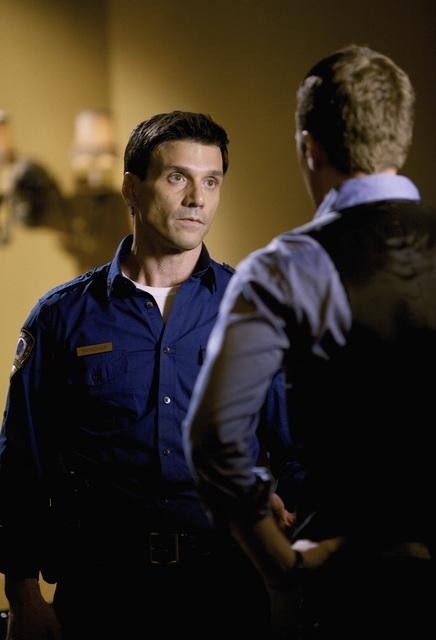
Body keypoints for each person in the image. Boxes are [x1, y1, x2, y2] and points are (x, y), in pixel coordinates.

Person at [0, 111, 293, 640]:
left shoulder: (254, 310)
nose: (197, 199)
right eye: (178, 177)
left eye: (211, 181)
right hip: (103, 594)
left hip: (226, 591)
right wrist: (23, 597)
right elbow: (22, 464)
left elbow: (294, 453)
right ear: (131, 189)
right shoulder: (61, 318)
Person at [184, 46, 434, 638]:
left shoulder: (284, 268)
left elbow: (215, 438)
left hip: (358, 591)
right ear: (399, 141)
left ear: (309, 148)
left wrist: (280, 564)